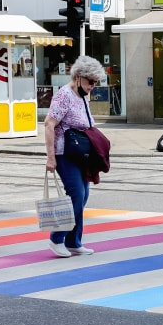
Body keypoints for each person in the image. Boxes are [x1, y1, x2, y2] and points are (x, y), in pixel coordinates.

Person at [44, 55, 106, 258]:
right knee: (76, 195)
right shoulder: (64, 95)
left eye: (96, 83)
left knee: (83, 195)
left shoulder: (81, 95)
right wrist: (51, 157)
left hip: (81, 154)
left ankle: (74, 241)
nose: (93, 86)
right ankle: (57, 238)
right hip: (65, 153)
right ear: (78, 77)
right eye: (91, 82)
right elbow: (49, 124)